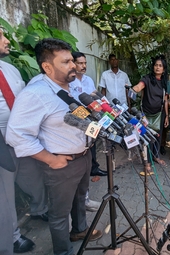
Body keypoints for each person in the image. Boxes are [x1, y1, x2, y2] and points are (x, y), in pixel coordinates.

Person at [6, 38, 102, 255]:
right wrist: (51, 159)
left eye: (72, 61)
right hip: (62, 164)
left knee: (80, 199)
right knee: (60, 214)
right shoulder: (35, 94)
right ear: (47, 67)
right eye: (66, 62)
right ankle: (63, 250)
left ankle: (79, 230)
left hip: (83, 156)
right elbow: (16, 135)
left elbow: (77, 115)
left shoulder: (70, 86)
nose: (73, 66)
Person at [0, 27, 43, 254]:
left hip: (23, 139)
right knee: (5, 198)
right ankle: (11, 239)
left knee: (35, 177)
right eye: (0, 36)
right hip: (1, 145)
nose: (7, 40)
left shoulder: (10, 69)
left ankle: (39, 209)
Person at [69, 51, 104, 212]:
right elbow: (73, 104)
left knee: (90, 154)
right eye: (80, 63)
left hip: (92, 120)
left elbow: (95, 97)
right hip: (76, 125)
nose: (83, 66)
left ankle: (85, 199)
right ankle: (81, 201)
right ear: (72, 63)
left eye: (85, 63)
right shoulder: (68, 82)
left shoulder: (89, 80)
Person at [131, 55, 169, 174]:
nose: (158, 67)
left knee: (158, 136)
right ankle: (146, 163)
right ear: (153, 67)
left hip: (159, 114)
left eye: (160, 66)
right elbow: (140, 85)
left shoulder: (165, 82)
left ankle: (156, 157)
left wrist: (167, 115)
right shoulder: (147, 78)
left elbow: (166, 100)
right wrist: (135, 88)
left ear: (163, 69)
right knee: (146, 138)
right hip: (146, 114)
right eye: (156, 65)